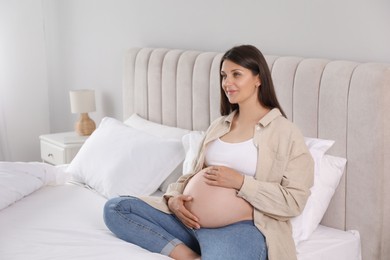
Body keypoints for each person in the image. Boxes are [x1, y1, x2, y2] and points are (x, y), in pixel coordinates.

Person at [103, 45, 314, 260]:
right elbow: (192, 175)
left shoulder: (285, 133)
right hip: (187, 222)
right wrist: (174, 199)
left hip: (238, 229)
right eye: (224, 76)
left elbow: (294, 201)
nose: (227, 83)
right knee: (116, 208)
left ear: (258, 78)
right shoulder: (219, 125)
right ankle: (189, 256)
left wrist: (241, 182)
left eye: (236, 75)